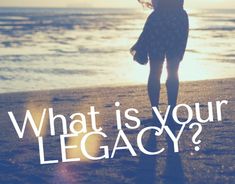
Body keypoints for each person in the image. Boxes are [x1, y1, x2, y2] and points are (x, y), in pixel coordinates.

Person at [131, 0, 189, 127]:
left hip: (158, 21)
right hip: (178, 20)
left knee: (155, 71)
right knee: (173, 69)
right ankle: (170, 115)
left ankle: (156, 115)